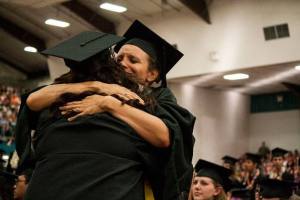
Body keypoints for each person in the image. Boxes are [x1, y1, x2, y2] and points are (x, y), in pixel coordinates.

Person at [16, 21, 195, 200]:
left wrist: (108, 104)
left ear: (152, 74)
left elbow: (165, 136)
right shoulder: (88, 86)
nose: (123, 64)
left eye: (133, 60)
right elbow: (32, 101)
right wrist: (95, 86)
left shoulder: (158, 97)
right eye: (119, 58)